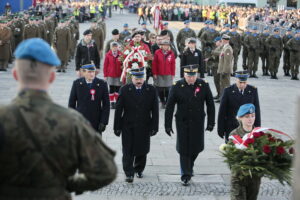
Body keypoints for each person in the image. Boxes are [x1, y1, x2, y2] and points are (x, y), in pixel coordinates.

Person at [0, 38, 116, 199]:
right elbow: (105, 171)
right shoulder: (71, 121)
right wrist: (67, 184)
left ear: (15, 75)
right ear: (52, 77)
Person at [165, 65, 215, 186]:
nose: (191, 79)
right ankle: (185, 174)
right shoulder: (177, 86)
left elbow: (210, 104)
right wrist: (167, 125)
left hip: (198, 122)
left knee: (196, 148)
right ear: (184, 75)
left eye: (193, 76)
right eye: (188, 76)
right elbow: (170, 106)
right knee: (183, 148)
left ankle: (189, 166)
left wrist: (210, 122)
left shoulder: (203, 85)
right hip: (182, 121)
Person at [114, 67, 159, 183]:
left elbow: (155, 110)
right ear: (131, 78)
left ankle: (139, 169)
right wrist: (117, 127)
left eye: (141, 78)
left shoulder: (151, 90)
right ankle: (129, 173)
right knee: (127, 150)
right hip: (128, 125)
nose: (139, 81)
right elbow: (119, 110)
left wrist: (155, 126)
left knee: (142, 149)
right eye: (136, 78)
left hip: (144, 125)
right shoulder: (124, 90)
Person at [218, 71, 261, 143]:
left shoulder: (253, 90)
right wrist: (220, 129)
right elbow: (222, 112)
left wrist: (257, 128)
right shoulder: (228, 91)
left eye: (244, 82)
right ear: (236, 80)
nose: (242, 85)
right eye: (240, 82)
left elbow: (257, 111)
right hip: (231, 127)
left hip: (247, 128)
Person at [229, 103, 261, 200]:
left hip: (254, 178)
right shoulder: (234, 134)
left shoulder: (259, 134)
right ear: (240, 118)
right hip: (239, 177)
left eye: (253, 116)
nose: (250, 119)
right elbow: (230, 159)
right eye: (247, 117)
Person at [68, 63, 110, 134]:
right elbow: (71, 104)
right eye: (89, 72)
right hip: (81, 121)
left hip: (96, 122)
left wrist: (104, 122)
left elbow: (106, 105)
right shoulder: (77, 83)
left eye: (93, 72)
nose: (92, 74)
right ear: (83, 72)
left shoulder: (102, 84)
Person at [152, 40, 176, 109]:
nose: (165, 46)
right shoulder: (157, 52)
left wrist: (173, 73)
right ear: (161, 46)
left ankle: (167, 102)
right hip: (159, 74)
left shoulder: (171, 53)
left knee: (168, 89)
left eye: (167, 45)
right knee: (160, 89)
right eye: (164, 45)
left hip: (168, 74)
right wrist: (155, 73)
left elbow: (173, 64)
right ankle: (162, 102)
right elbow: (154, 64)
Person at [103, 42, 123, 109]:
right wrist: (105, 75)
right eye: (113, 47)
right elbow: (105, 65)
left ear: (117, 47)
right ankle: (112, 102)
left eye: (115, 46)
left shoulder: (121, 54)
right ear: (111, 47)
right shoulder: (108, 55)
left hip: (118, 74)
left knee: (117, 89)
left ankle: (117, 101)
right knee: (111, 89)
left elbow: (123, 64)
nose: (114, 48)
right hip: (110, 74)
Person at [217, 34, 233, 102]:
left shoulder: (228, 49)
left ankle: (227, 99)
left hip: (225, 71)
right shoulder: (225, 47)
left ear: (225, 40)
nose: (222, 41)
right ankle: (222, 98)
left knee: (226, 85)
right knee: (222, 85)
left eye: (223, 40)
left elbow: (227, 62)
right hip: (222, 70)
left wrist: (224, 71)